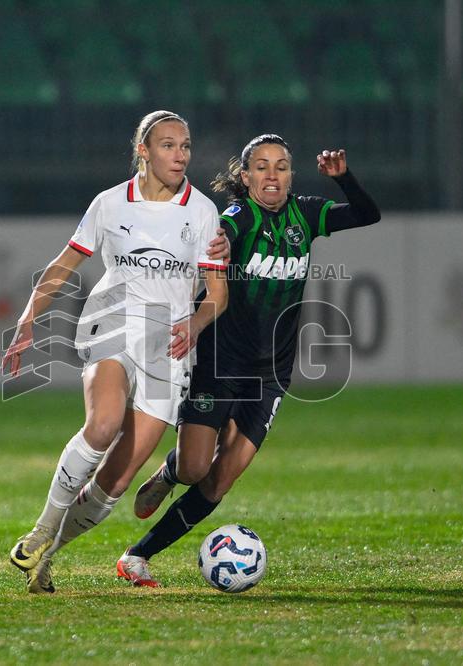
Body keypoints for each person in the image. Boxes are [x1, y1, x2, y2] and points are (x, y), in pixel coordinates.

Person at [115, 134, 381, 587]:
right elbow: (223, 235)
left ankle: (137, 557)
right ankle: (172, 470)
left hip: (272, 372)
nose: (272, 174)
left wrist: (344, 179)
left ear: (291, 175)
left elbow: (366, 214)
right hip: (219, 363)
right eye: (261, 166)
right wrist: (216, 246)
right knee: (197, 468)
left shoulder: (308, 213)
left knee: (220, 481)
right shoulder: (239, 216)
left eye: (281, 165)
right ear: (246, 176)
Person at [1, 110, 229, 593]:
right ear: (143, 151)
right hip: (115, 325)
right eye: (168, 145)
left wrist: (198, 318)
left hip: (170, 346)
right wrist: (27, 318)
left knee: (117, 483)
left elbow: (217, 293)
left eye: (186, 145)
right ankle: (43, 526)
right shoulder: (110, 204)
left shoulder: (203, 211)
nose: (180, 154)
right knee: (102, 424)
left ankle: (49, 555)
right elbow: (64, 265)